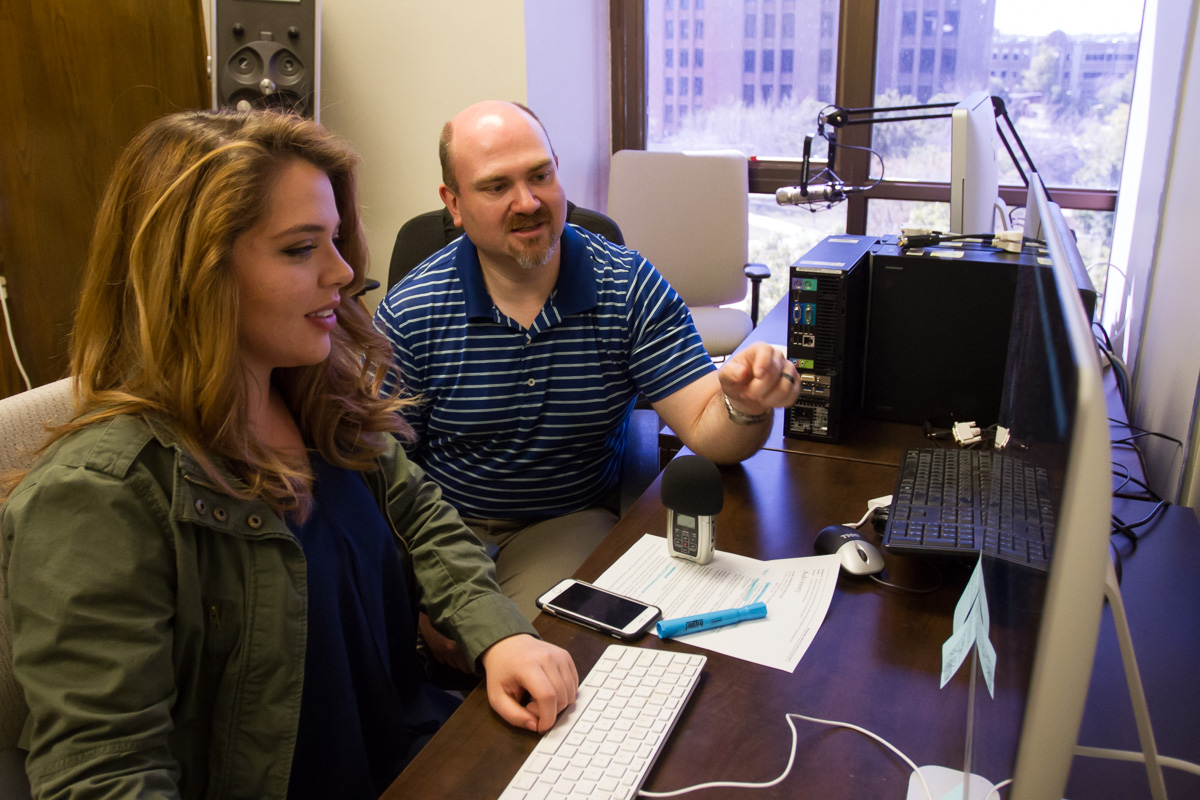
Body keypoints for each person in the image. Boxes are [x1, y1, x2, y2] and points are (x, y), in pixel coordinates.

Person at [0, 109, 577, 800]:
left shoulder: (316, 399)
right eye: (301, 248)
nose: (343, 272)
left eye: (334, 240)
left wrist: (499, 636)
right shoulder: (98, 499)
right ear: (197, 273)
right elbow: (103, 776)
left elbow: (422, 520)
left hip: (419, 759)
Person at [373, 100, 801, 628]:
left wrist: (744, 406)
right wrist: (419, 598)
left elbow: (709, 431)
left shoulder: (625, 284)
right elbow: (382, 475)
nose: (527, 201)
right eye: (495, 186)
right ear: (454, 203)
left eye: (540, 175)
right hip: (445, 525)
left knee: (552, 651)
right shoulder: (412, 312)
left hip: (564, 523)